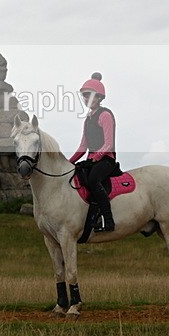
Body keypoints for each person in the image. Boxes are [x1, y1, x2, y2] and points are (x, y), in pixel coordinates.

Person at [69, 72, 117, 232]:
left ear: (99, 97)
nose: (86, 99)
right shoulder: (87, 120)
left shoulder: (105, 115)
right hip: (92, 160)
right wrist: (68, 162)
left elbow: (108, 144)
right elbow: (83, 147)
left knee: (93, 180)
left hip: (106, 160)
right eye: (84, 96)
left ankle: (108, 221)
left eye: (90, 95)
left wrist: (96, 157)